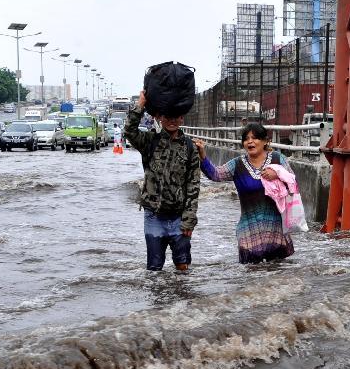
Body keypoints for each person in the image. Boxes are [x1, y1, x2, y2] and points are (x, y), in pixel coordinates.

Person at [193, 122, 294, 264]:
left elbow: (292, 183)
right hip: (249, 232)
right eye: (246, 139)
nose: (250, 141)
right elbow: (215, 174)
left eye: (255, 138)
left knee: (278, 278)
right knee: (250, 278)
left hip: (276, 231)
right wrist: (202, 155)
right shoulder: (237, 164)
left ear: (265, 141)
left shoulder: (278, 159)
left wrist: (277, 173)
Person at [125, 90, 201, 271]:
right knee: (154, 268)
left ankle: (183, 299)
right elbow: (129, 131)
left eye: (176, 116)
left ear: (182, 118)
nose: (172, 120)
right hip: (153, 216)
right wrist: (141, 104)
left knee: (183, 266)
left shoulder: (190, 148)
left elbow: (193, 185)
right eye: (167, 116)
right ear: (160, 118)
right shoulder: (150, 141)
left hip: (179, 217)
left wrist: (189, 218)